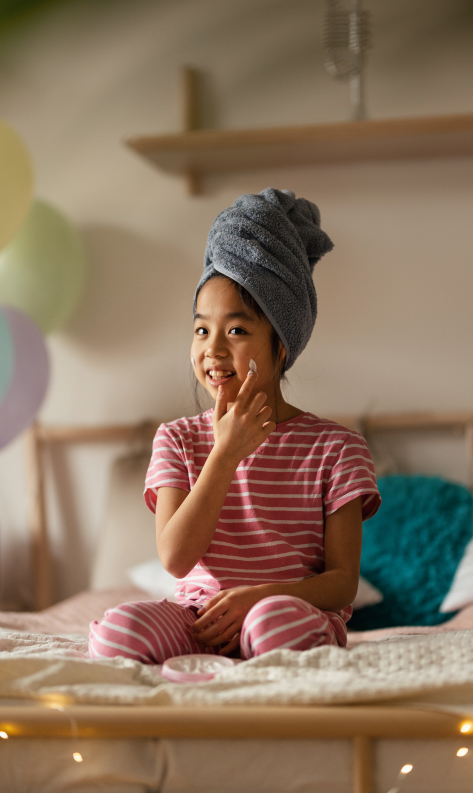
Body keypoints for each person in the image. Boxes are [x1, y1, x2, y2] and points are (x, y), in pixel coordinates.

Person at [89, 188, 380, 663]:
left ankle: (255, 654)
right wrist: (224, 454)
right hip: (201, 619)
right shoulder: (178, 439)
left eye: (237, 330)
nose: (213, 350)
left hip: (289, 615)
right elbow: (176, 560)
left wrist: (257, 598)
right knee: (116, 632)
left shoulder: (336, 448)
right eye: (202, 329)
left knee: (269, 625)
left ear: (280, 345)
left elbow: (342, 583)